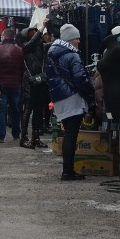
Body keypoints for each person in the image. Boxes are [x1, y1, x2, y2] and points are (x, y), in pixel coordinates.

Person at [45, 23, 95, 181]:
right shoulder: (72, 55)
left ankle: (68, 170)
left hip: (60, 97)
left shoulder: (54, 53)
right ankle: (68, 171)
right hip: (72, 97)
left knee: (68, 133)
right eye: (77, 38)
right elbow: (80, 78)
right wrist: (90, 93)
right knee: (71, 135)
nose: (79, 41)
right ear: (70, 39)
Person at [21, 21, 50, 149]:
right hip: (29, 82)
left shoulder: (42, 47)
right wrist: (41, 28)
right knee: (27, 111)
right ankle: (24, 138)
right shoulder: (26, 47)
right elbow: (32, 42)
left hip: (40, 82)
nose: (35, 35)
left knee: (39, 111)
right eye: (31, 33)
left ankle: (35, 137)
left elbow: (51, 44)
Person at [0, 28, 24, 142]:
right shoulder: (19, 50)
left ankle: (1, 135)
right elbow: (22, 68)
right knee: (16, 110)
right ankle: (16, 134)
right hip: (16, 84)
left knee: (1, 110)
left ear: (5, 37)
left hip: (2, 84)